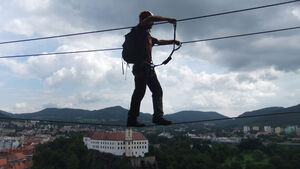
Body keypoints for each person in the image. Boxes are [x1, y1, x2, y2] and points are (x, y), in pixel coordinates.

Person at [127, 11, 181, 127]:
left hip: (148, 68)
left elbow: (159, 42)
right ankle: (132, 119)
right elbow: (152, 18)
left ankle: (157, 117)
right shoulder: (139, 30)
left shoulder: (147, 36)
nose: (153, 23)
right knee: (139, 93)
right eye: (151, 21)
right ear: (145, 20)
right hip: (141, 68)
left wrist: (173, 41)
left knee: (156, 91)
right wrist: (168, 19)